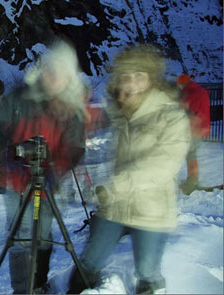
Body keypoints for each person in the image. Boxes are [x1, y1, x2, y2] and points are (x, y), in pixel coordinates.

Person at [67, 45, 191, 294]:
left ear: (151, 80)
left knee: (147, 271)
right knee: (88, 264)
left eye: (139, 76)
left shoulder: (171, 116)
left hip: (151, 209)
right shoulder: (120, 113)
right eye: (126, 76)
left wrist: (116, 185)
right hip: (115, 205)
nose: (132, 83)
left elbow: (164, 164)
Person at [0, 38, 87, 293]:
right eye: (51, 70)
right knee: (20, 237)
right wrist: (8, 151)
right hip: (15, 180)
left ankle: (37, 283)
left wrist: (54, 163)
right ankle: (22, 290)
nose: (54, 77)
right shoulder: (19, 96)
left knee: (42, 235)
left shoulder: (71, 108)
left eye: (61, 73)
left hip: (46, 182)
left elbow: (76, 147)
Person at [176, 73, 211, 195]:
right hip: (201, 128)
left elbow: (188, 112)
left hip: (194, 129)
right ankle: (191, 180)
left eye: (179, 85)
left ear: (182, 83)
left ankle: (193, 183)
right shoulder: (201, 90)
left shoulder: (190, 93)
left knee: (190, 155)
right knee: (190, 155)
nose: (179, 87)